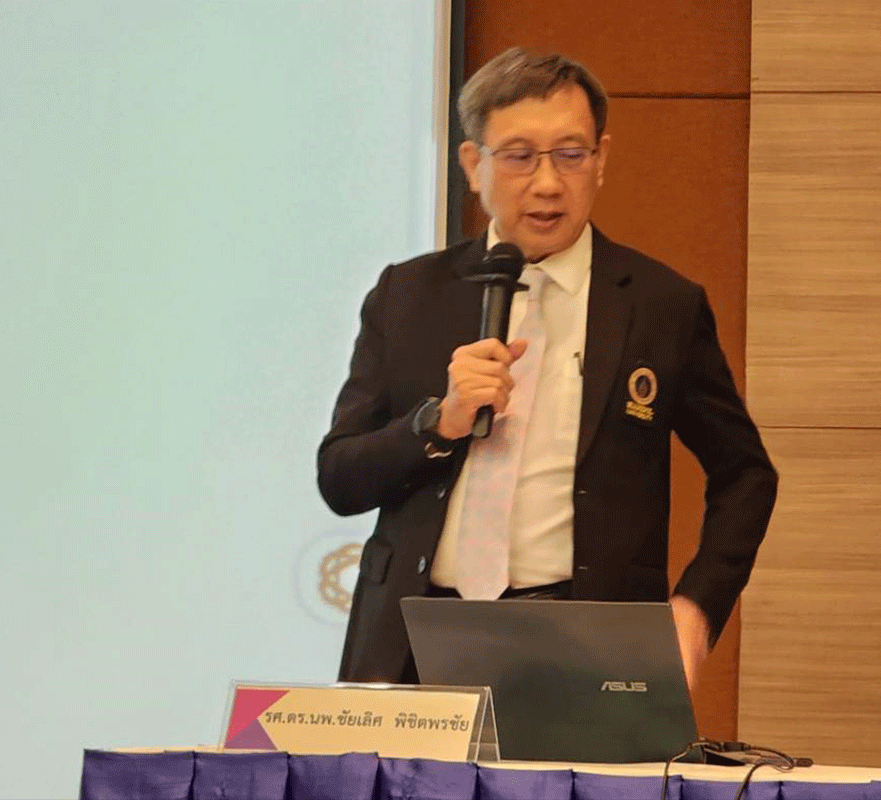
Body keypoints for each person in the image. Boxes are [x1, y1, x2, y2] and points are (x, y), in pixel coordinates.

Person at [317, 47, 777, 690]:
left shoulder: (661, 305)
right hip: (409, 646)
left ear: (601, 159)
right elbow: (340, 479)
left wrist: (696, 607)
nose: (548, 183)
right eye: (519, 156)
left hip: (585, 649)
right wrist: (439, 422)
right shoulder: (409, 294)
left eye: (570, 154)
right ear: (472, 164)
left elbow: (746, 474)